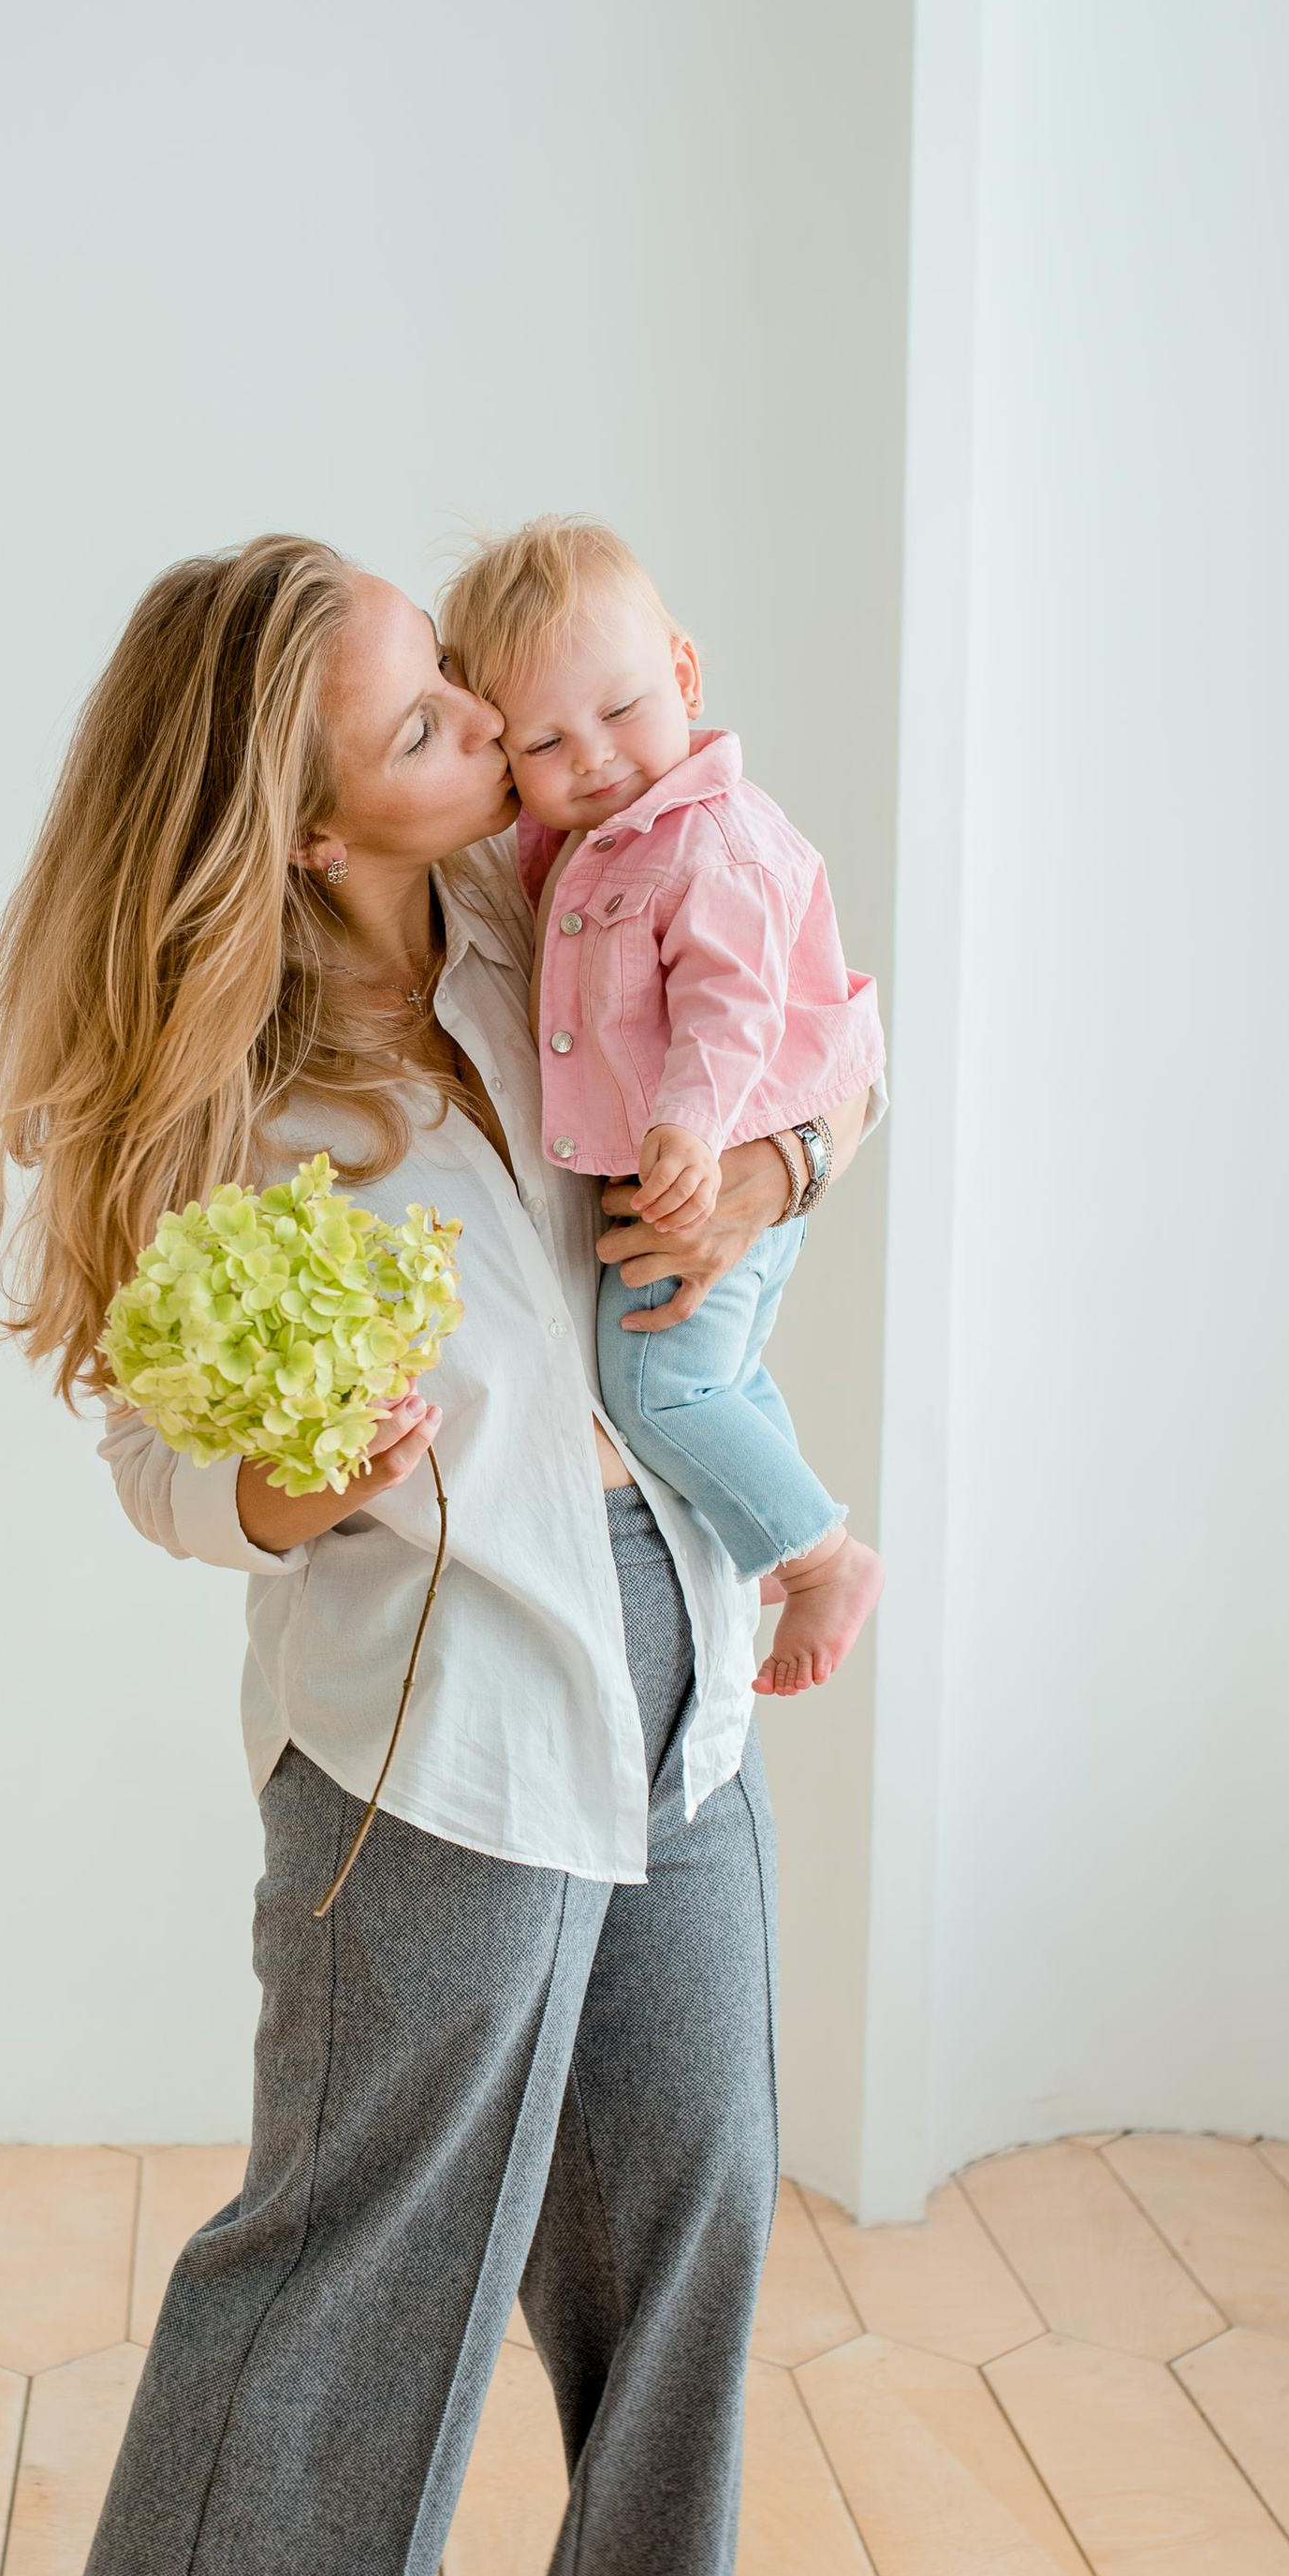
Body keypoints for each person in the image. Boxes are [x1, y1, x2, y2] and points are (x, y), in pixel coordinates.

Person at [0, 534, 876, 2576]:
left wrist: (770, 1177)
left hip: (667, 1657)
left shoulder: (561, 909)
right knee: (353, 2285)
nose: (497, 725)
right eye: (430, 723)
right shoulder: (232, 1087)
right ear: (302, 819)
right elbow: (155, 1445)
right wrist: (274, 1485)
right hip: (434, 1745)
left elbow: (823, 1057)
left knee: (684, 2215)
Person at [438, 516, 886, 1697]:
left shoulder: (712, 842)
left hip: (707, 1161)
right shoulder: (586, 842)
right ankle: (780, 1541)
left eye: (622, 711)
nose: (590, 757)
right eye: (545, 738)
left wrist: (693, 1127)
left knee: (656, 1390)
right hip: (694, 1168)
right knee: (717, 1381)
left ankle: (820, 1553)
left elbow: (734, 1008)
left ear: (683, 673)